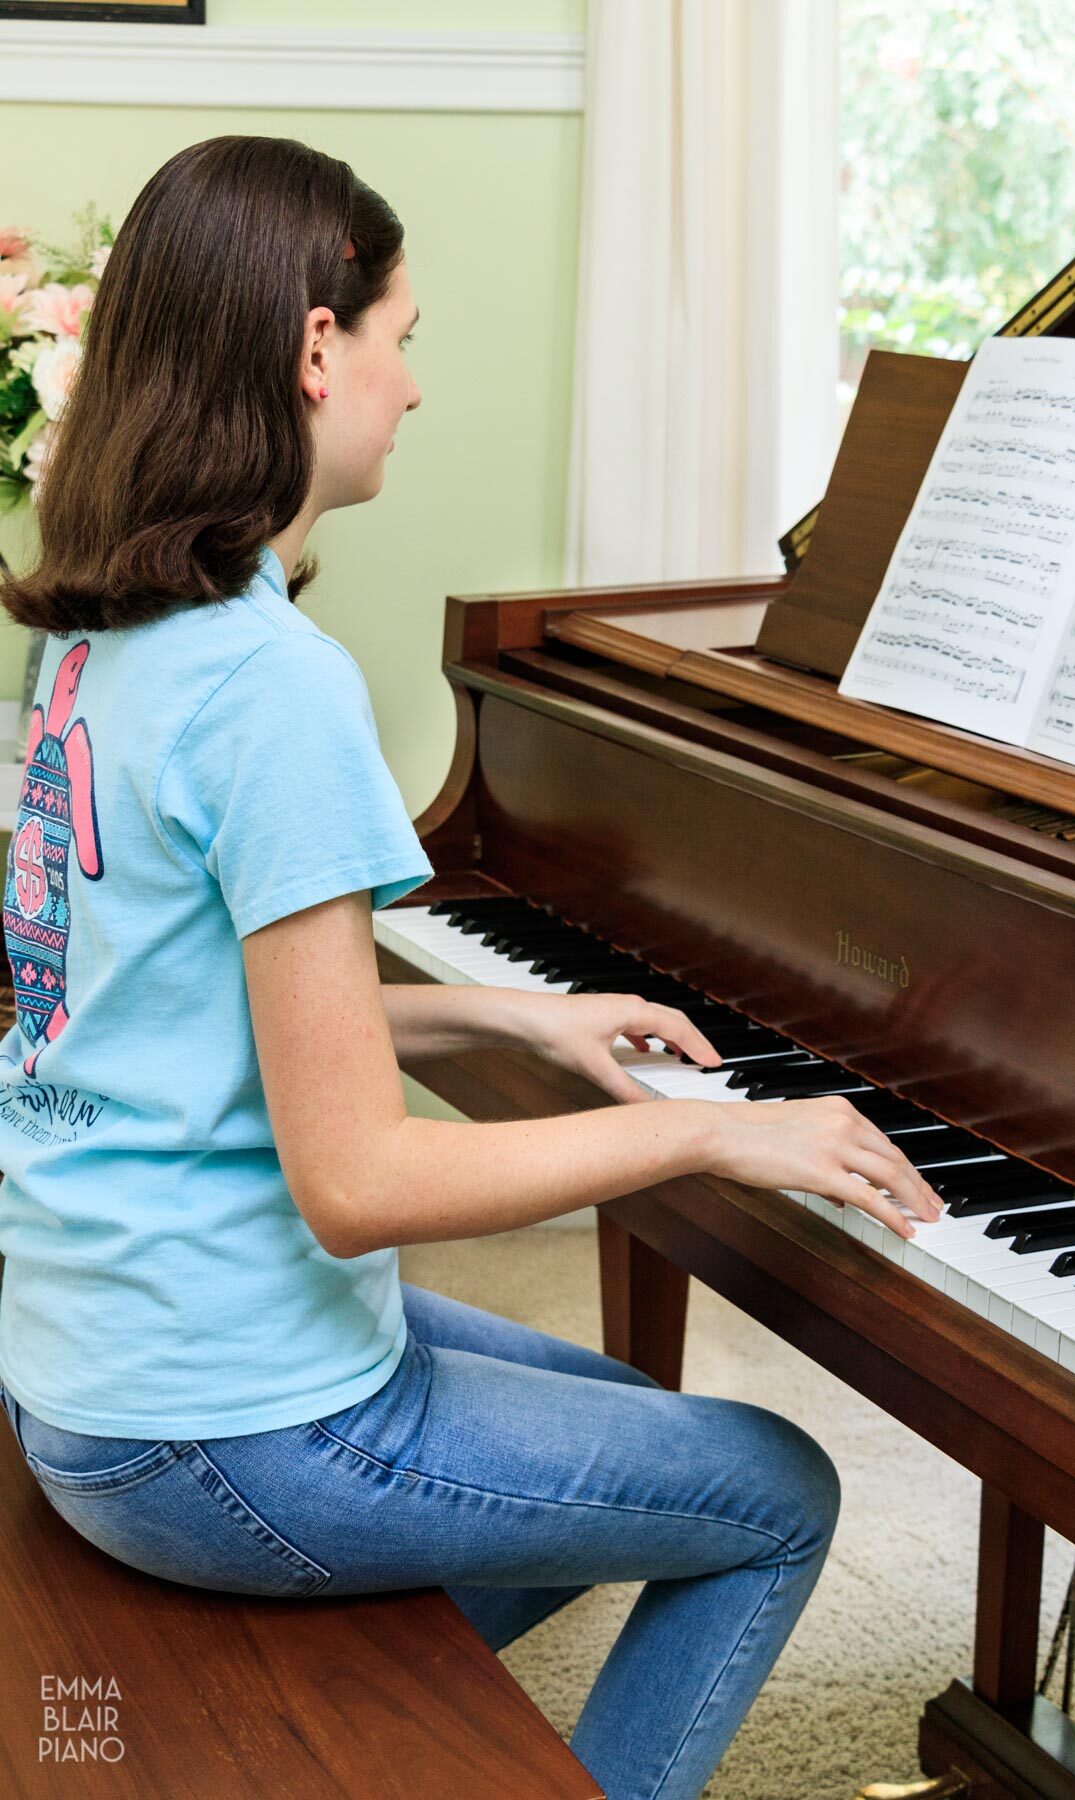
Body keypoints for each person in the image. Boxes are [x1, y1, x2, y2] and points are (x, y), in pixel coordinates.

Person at [0, 136, 942, 1800]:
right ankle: (325, 1738)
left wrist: (510, 1011)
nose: (414, 386)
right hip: (222, 1417)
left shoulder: (100, 632)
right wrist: (721, 1131)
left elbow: (174, 1006)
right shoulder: (270, 687)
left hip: (93, 1359)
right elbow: (358, 1181)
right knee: (774, 1488)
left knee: (622, 1434)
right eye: (401, 336)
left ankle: (355, 1739)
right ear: (313, 349)